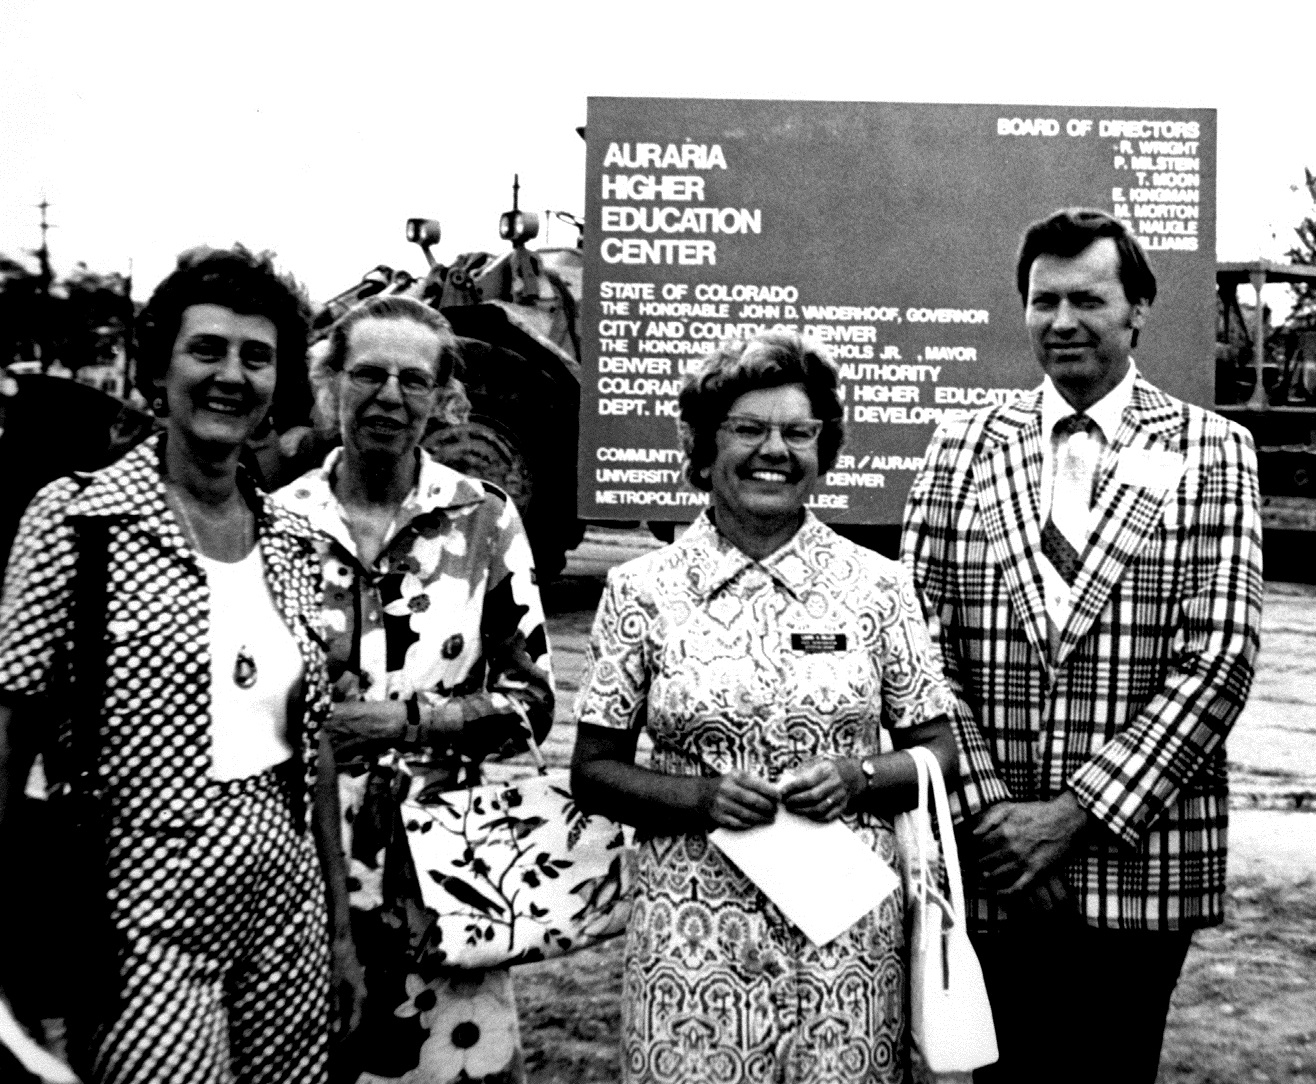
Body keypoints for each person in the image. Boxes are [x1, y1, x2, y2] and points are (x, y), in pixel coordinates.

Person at [901, 208, 1265, 1084]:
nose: (1062, 322)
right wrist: (997, 820)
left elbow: (1219, 657)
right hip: (988, 864)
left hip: (1139, 867)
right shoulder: (959, 448)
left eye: (1089, 300)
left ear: (1138, 308)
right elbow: (915, 649)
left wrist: (1072, 820)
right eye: (1043, 301)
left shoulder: (1214, 451)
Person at [0, 244, 362, 1084]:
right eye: (207, 350)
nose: (230, 376)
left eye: (257, 357)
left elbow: (313, 758)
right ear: (157, 367)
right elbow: (9, 736)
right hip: (136, 912)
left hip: (285, 908)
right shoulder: (76, 520)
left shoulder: (296, 544)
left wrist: (339, 936)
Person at [571, 330, 958, 1084]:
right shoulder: (641, 592)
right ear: (703, 446)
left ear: (825, 449)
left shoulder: (879, 587)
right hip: (689, 939)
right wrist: (701, 797)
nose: (772, 450)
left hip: (846, 941)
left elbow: (938, 751)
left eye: (798, 432)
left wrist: (859, 776)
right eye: (747, 429)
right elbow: (594, 772)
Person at [276, 294, 554, 1084]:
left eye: (412, 379)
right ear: (331, 383)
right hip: (305, 875)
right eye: (367, 374)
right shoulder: (276, 523)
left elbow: (530, 705)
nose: (389, 396)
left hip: (442, 879)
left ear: (440, 397)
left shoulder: (484, 520)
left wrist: (404, 721)